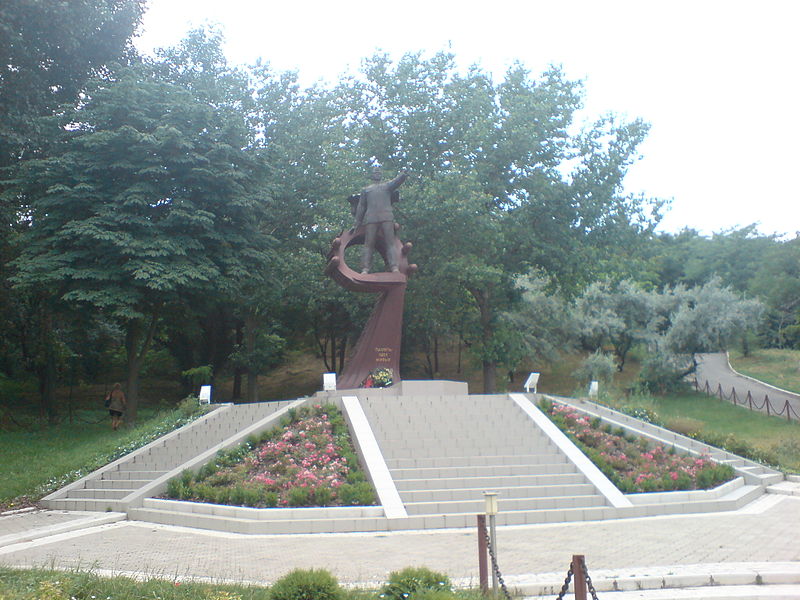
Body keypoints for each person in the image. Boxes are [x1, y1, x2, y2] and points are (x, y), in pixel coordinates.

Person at [353, 167, 408, 274]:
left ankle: (394, 267)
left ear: (381, 175)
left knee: (390, 242)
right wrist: (357, 222)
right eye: (375, 172)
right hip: (371, 218)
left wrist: (403, 175)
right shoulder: (366, 190)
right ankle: (365, 268)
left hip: (386, 217)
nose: (377, 174)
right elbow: (361, 206)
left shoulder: (387, 186)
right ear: (372, 175)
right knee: (369, 243)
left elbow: (396, 181)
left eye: (379, 172)